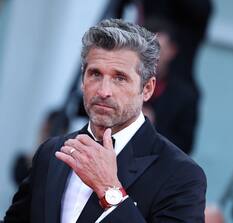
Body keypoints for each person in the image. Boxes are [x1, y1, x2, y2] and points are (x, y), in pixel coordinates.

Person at [3, 18, 206, 223]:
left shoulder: (181, 175)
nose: (103, 91)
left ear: (147, 89)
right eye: (95, 74)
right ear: (83, 80)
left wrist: (109, 191)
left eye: (119, 78)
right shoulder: (51, 153)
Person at [142, 18, 199, 155]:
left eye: (157, 50)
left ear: (172, 51)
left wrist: (153, 128)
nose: (151, 57)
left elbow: (185, 148)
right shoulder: (119, 83)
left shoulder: (185, 97)